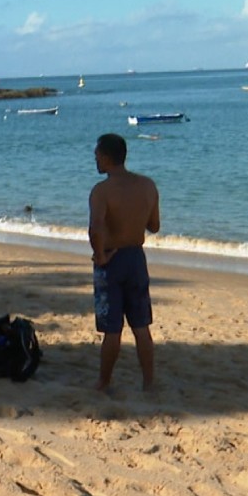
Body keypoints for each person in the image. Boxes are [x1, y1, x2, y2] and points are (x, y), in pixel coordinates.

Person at [88, 133, 161, 392]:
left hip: (112, 259)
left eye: (96, 155)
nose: (94, 159)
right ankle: (149, 382)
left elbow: (96, 227)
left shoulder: (101, 191)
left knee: (112, 328)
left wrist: (100, 255)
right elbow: (154, 226)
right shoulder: (148, 185)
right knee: (141, 326)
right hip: (136, 258)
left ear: (106, 158)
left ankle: (104, 381)